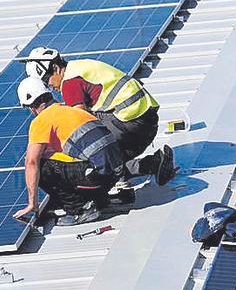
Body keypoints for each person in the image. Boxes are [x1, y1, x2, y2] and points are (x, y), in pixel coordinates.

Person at [18, 47, 176, 187]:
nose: (49, 86)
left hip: (130, 122)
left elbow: (80, 123)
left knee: (90, 151)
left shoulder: (69, 84)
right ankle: (154, 164)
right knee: (104, 156)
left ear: (55, 67)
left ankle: (119, 180)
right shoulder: (79, 66)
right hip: (145, 119)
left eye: (47, 80)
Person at [12, 78, 124, 226]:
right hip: (115, 176)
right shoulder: (71, 110)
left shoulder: (41, 121)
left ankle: (79, 210)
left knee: (42, 165)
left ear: (32, 107)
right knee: (57, 157)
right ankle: (98, 200)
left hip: (97, 179)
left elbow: (31, 162)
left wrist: (32, 203)